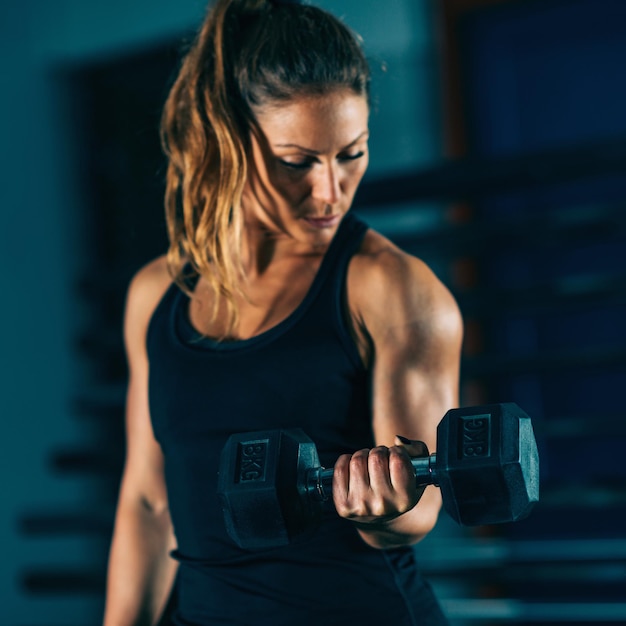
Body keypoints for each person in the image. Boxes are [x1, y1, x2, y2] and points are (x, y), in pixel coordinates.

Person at [103, 0, 463, 624]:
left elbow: (418, 512)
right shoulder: (155, 295)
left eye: (352, 153)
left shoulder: (391, 287)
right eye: (297, 161)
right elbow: (147, 499)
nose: (330, 191)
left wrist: (385, 512)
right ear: (230, 141)